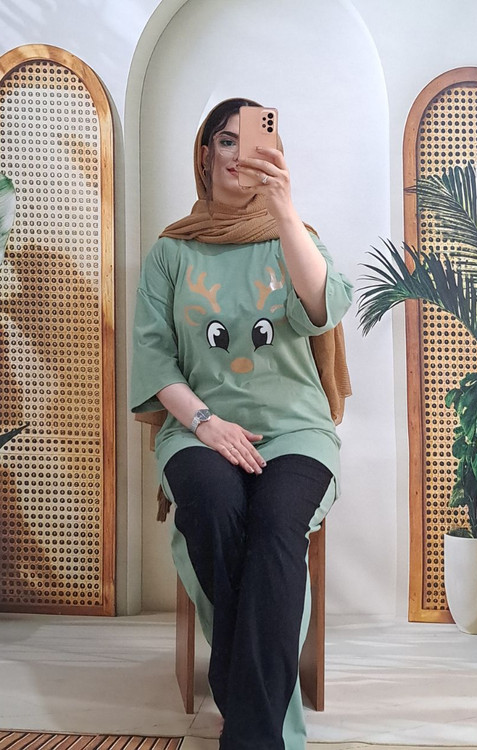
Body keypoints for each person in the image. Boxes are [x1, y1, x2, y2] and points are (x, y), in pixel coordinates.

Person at [130, 97, 353, 750]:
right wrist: (206, 423)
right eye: (225, 141)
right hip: (197, 428)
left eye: (253, 143)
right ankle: (257, 708)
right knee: (212, 506)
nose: (238, 155)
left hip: (296, 431)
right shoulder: (171, 252)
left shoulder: (294, 235)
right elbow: (154, 358)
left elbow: (322, 307)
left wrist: (284, 211)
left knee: (276, 524)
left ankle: (249, 726)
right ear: (205, 155)